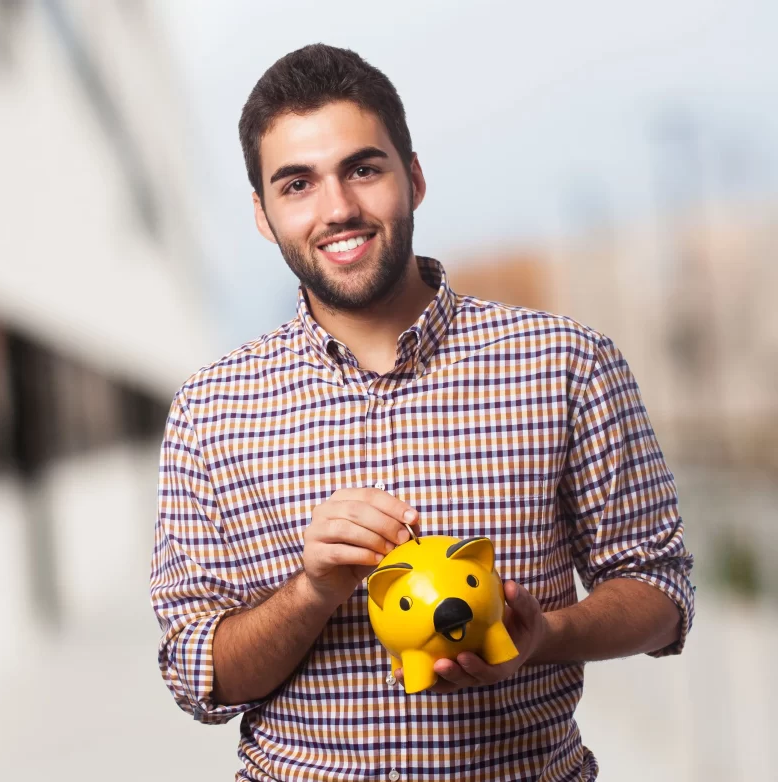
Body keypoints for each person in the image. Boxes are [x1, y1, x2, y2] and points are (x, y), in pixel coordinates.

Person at [150, 43, 694, 782]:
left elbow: (660, 588)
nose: (337, 208)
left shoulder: (567, 363)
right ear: (262, 214)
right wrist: (311, 592)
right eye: (298, 184)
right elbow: (196, 675)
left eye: (363, 169)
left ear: (413, 176)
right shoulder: (210, 410)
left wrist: (542, 635)